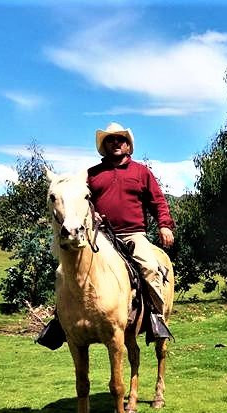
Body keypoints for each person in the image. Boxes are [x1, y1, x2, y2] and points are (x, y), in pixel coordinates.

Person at [36, 122, 175, 349]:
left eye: (120, 139)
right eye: (110, 139)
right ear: (104, 145)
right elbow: (76, 199)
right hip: (100, 236)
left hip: (133, 235)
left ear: (128, 145)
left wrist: (165, 226)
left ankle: (155, 318)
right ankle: (61, 321)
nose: (116, 142)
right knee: (65, 271)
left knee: (150, 267)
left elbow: (157, 201)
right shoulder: (91, 175)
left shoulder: (141, 172)